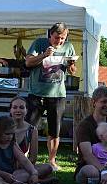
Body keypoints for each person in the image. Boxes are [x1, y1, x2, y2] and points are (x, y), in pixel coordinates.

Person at [25, 22, 77, 172]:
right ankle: (26, 157)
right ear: (50, 35)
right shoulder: (39, 43)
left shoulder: (68, 47)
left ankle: (52, 161)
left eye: (63, 38)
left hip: (57, 94)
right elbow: (28, 62)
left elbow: (73, 71)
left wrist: (71, 64)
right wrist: (44, 55)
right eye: (57, 38)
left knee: (55, 129)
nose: (59, 41)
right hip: (37, 92)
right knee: (29, 127)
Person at [0, 116, 53, 184]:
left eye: (12, 134)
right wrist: (5, 174)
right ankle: (32, 181)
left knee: (47, 167)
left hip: (13, 174)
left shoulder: (12, 144)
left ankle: (29, 180)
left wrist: (34, 173)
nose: (10, 137)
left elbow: (24, 160)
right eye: (7, 134)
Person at [8, 96, 42, 165]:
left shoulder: (32, 130)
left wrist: (20, 166)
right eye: (14, 107)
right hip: (2, 166)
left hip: (22, 167)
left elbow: (33, 158)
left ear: (26, 110)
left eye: (21, 107)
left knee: (47, 168)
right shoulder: (2, 127)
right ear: (10, 110)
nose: (18, 110)